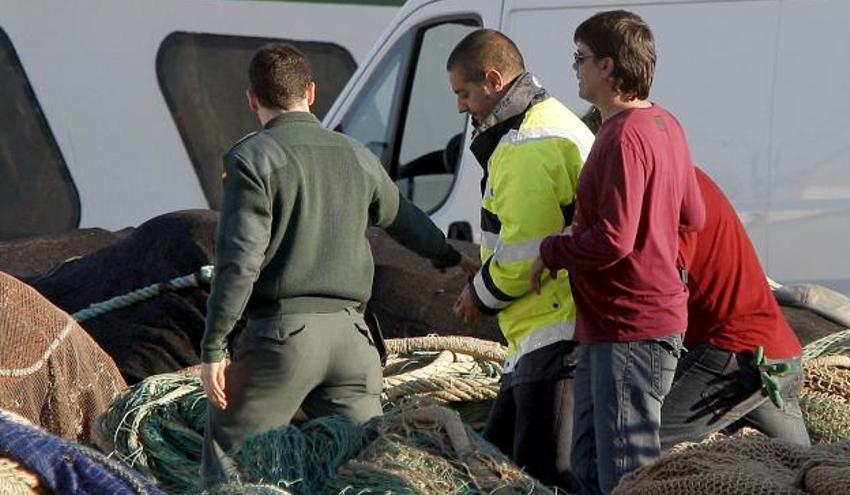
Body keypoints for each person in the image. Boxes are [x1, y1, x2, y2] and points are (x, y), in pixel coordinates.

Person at [199, 43, 476, 488]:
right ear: (311, 92)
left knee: (231, 464)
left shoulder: (251, 159)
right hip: (354, 344)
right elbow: (404, 220)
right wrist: (451, 257)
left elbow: (240, 260)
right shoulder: (356, 155)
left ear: (252, 98)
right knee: (367, 473)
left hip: (282, 340)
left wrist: (214, 347)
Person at [529, 11, 705, 495]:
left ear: (608, 67)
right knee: (587, 470)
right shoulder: (665, 124)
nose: (575, 68)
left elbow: (614, 240)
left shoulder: (624, 136)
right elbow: (695, 215)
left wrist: (553, 250)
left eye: (580, 58)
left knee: (627, 479)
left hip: (629, 330)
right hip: (632, 325)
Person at [446, 29, 593, 489]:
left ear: (493, 79)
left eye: (464, 93)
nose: (460, 107)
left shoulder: (529, 143)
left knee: (539, 479)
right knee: (500, 468)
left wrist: (477, 296)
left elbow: (525, 253)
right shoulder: (543, 124)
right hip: (541, 338)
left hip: (555, 334)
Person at [660, 168, 810, 449]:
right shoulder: (687, 178)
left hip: (733, 357)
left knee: (636, 450)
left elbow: (664, 280)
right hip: (776, 354)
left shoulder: (665, 189)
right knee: (798, 468)